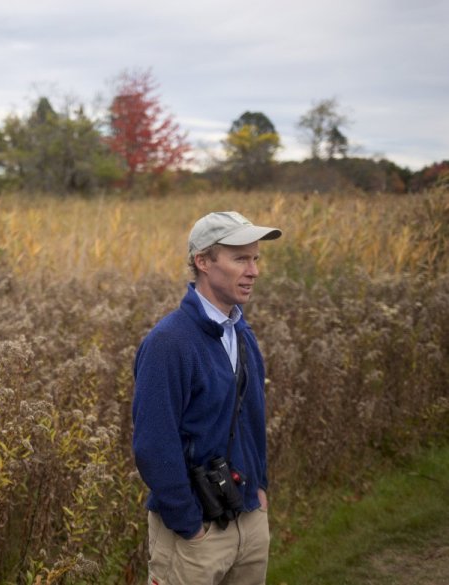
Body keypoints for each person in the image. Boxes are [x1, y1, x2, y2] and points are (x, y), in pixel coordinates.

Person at [132, 211, 281, 585]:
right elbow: (153, 443)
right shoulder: (169, 343)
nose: (254, 271)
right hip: (194, 539)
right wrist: (189, 525)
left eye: (255, 259)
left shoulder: (242, 334)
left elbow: (252, 421)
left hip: (249, 523)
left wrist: (259, 492)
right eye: (240, 258)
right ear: (203, 261)